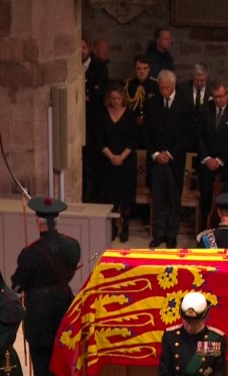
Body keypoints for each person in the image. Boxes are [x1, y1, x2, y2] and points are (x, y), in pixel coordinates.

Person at [11, 197, 81, 376]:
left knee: (41, 357)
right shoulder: (72, 245)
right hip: (63, 303)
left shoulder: (30, 253)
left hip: (40, 307)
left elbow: (19, 283)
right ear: (56, 221)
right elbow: (70, 272)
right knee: (60, 352)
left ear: (40, 223)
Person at [145, 69, 194, 248]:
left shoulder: (185, 104)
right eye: (161, 87)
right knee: (158, 199)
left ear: (173, 86)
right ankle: (158, 234)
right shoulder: (152, 104)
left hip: (175, 161)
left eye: (167, 87)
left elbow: (187, 134)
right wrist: (156, 154)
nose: (164, 91)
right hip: (156, 161)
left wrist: (170, 154)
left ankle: (172, 235)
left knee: (174, 199)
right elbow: (147, 133)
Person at [95, 84, 138, 242]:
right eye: (113, 99)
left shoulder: (130, 115)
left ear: (123, 99)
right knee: (110, 197)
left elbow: (133, 140)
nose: (116, 101)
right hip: (108, 162)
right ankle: (111, 228)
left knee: (125, 197)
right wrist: (112, 157)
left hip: (126, 162)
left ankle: (125, 227)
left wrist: (121, 157)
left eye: (119, 98)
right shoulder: (103, 115)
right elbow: (99, 140)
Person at [196, 80, 228, 226]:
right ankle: (203, 231)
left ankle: (222, 231)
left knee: (225, 202)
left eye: (221, 96)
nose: (218, 100)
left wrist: (220, 159)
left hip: (226, 166)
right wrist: (208, 158)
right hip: (206, 164)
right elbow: (198, 136)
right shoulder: (204, 110)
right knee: (205, 201)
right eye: (215, 96)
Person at [82, 37, 109, 203]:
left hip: (93, 121)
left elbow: (99, 92)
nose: (82, 51)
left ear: (89, 49)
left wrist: (89, 96)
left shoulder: (99, 67)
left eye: (84, 47)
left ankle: (94, 198)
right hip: (77, 122)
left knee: (93, 163)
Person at [123, 55, 159, 147]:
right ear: (135, 69)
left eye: (145, 68)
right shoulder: (128, 85)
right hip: (132, 127)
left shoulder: (156, 85)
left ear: (149, 69)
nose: (142, 71)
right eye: (139, 68)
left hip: (151, 127)